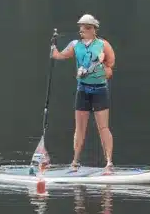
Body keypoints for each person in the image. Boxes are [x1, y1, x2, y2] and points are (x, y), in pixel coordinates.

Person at [50, 14, 116, 173]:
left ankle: (108, 162)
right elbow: (59, 56)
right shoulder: (75, 45)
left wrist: (103, 71)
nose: (83, 30)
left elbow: (110, 66)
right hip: (83, 91)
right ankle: (75, 161)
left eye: (87, 27)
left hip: (100, 90)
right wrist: (53, 47)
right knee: (80, 128)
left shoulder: (103, 45)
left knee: (103, 127)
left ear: (94, 29)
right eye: (81, 27)